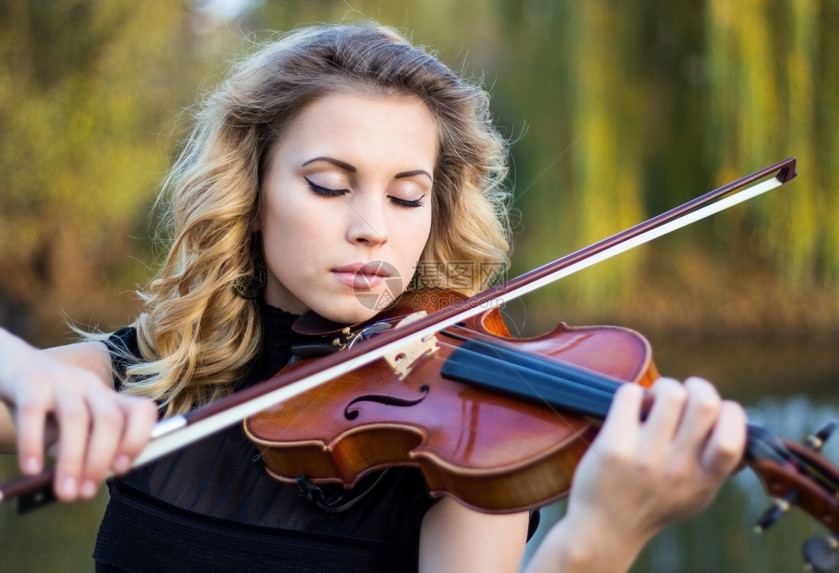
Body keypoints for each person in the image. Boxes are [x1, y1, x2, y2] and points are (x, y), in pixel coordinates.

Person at [0, 22, 747, 572]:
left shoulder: (471, 447)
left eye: (406, 196)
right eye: (329, 185)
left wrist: (599, 540)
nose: (372, 231)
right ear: (251, 190)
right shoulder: (160, 370)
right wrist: (23, 369)